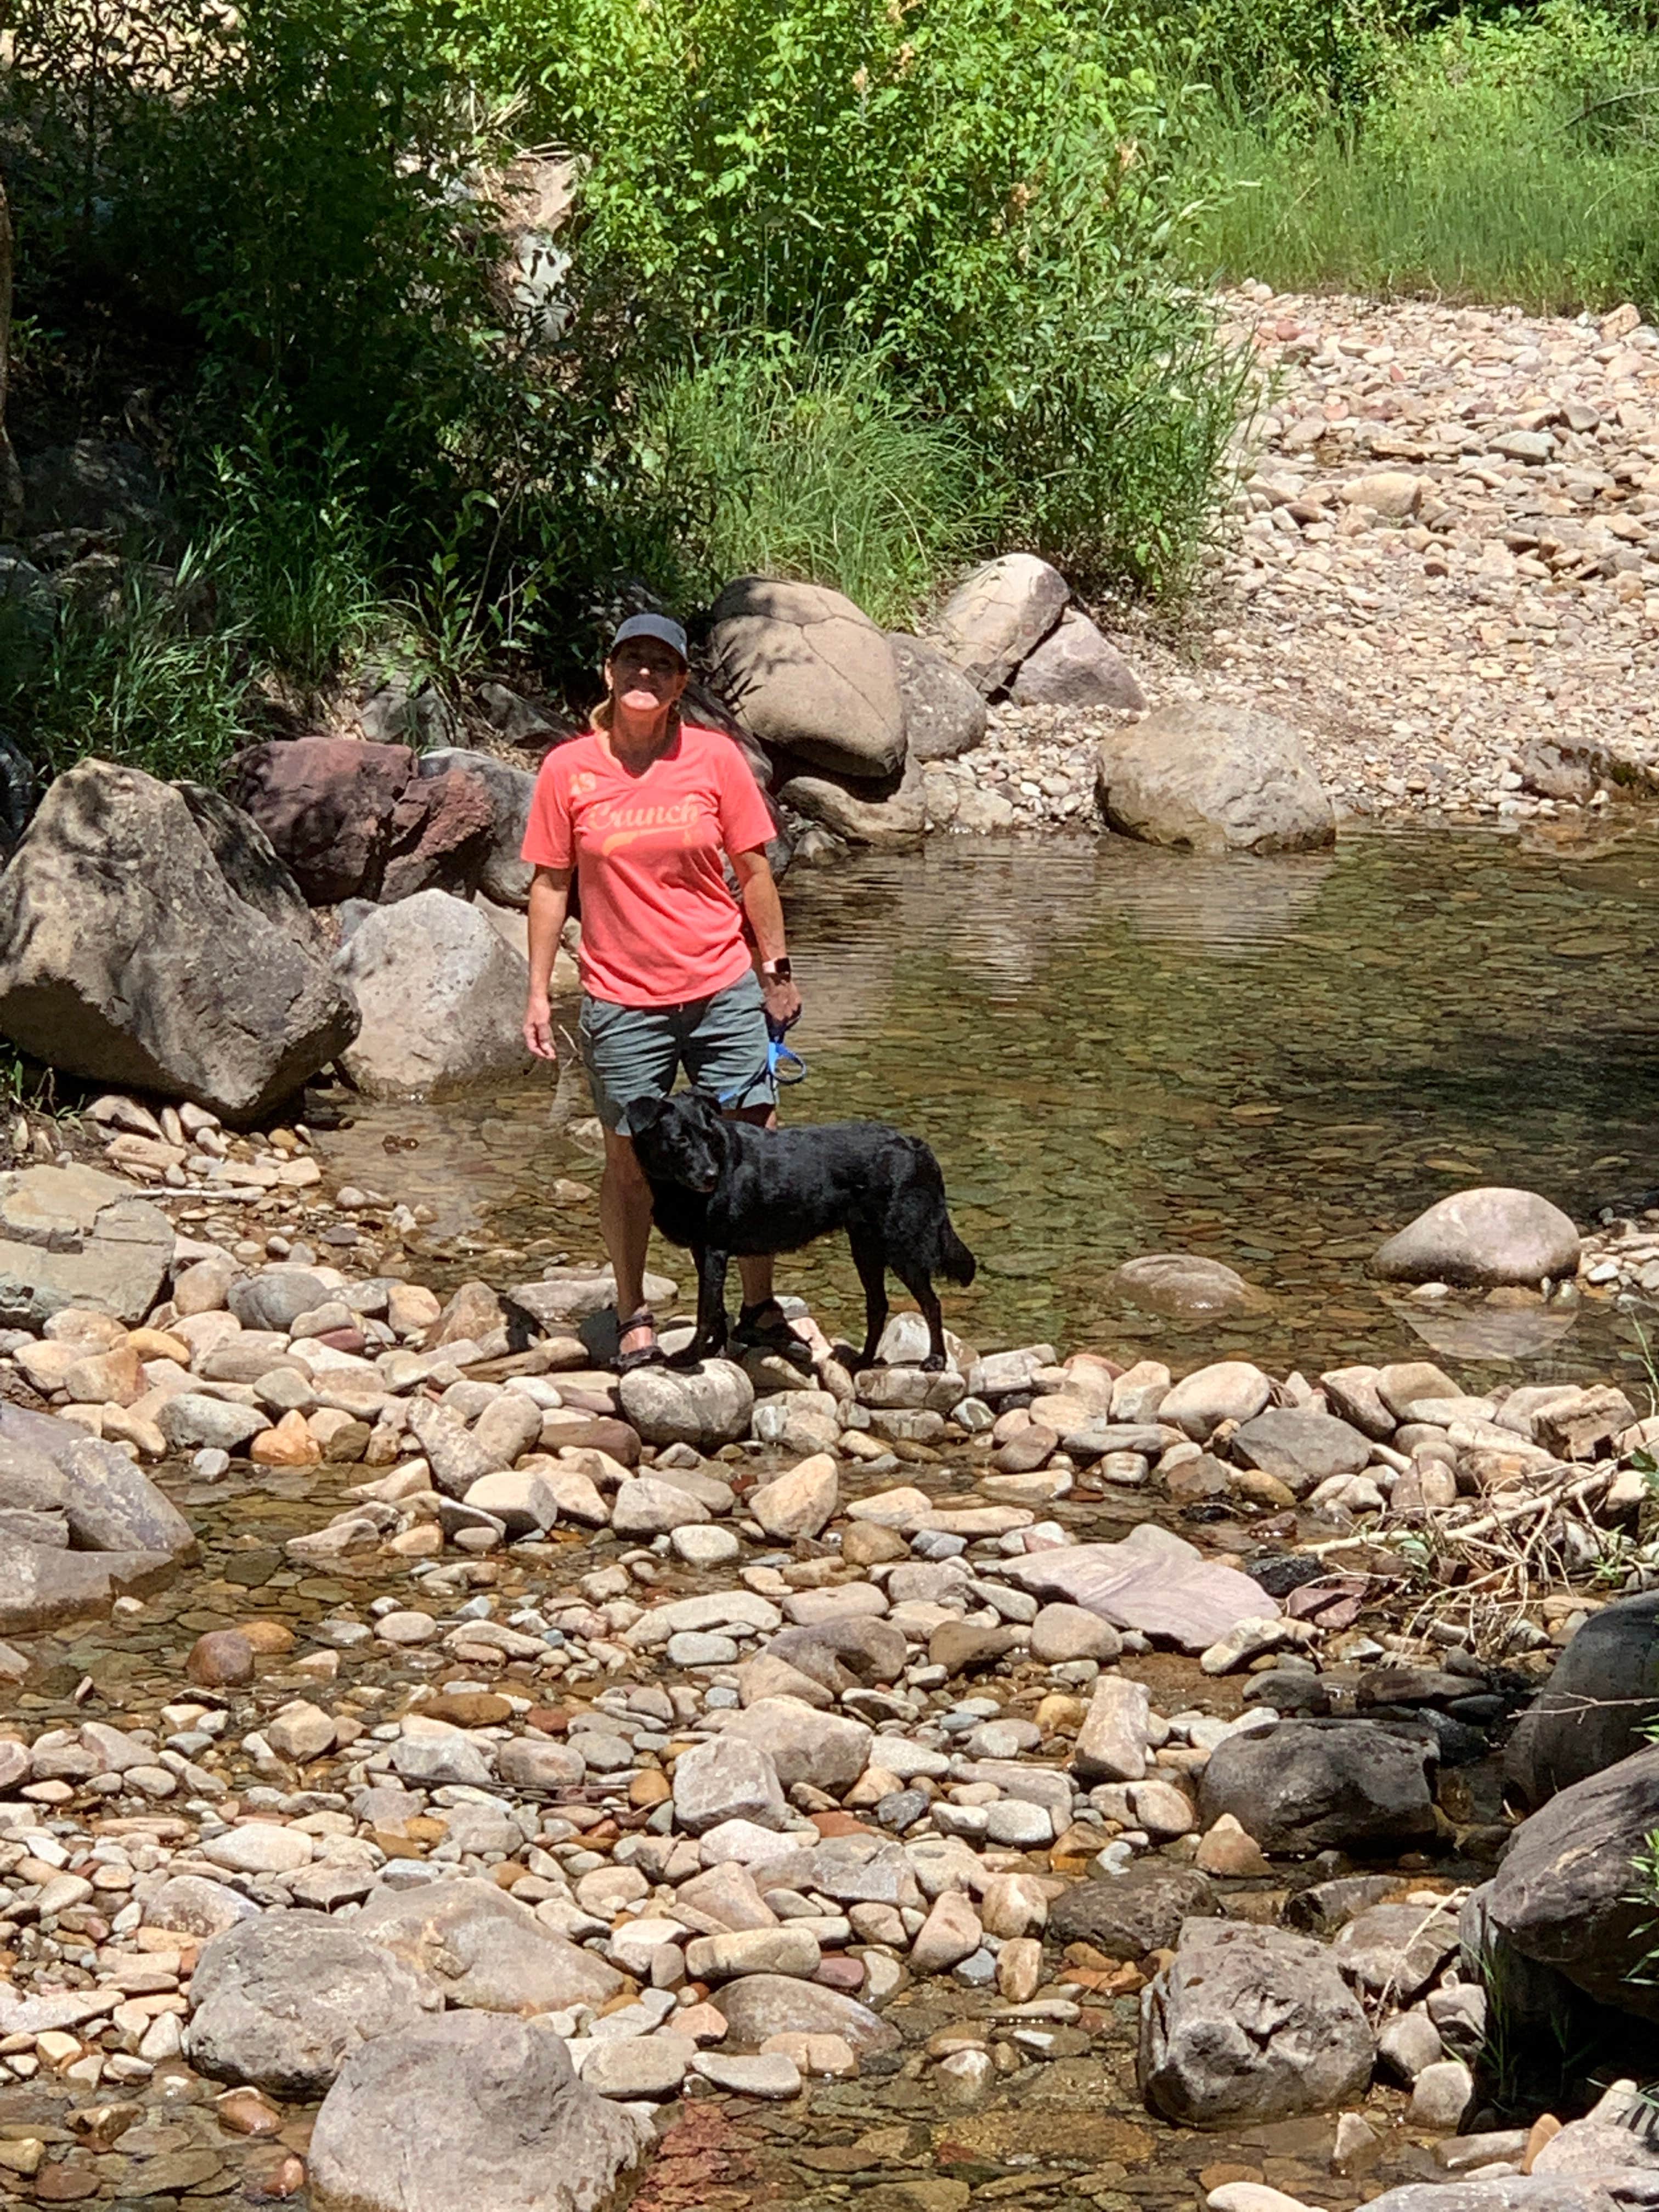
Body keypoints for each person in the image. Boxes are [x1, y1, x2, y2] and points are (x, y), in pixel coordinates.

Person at [521, 612, 802, 1372]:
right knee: (628, 1161)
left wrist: (774, 971)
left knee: (754, 1144)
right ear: (609, 673)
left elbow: (754, 872)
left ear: (681, 684)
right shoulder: (568, 770)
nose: (645, 677)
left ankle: (757, 1307)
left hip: (719, 985)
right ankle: (632, 1308)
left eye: (662, 667)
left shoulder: (714, 760)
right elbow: (550, 886)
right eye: (632, 663)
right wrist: (540, 992)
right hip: (621, 997)